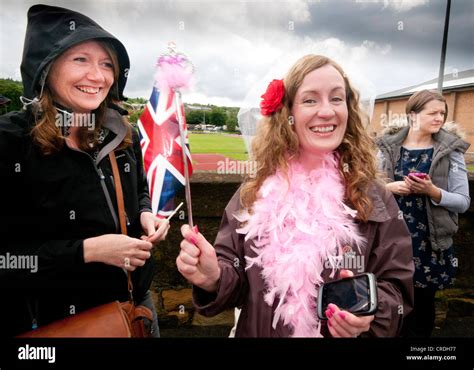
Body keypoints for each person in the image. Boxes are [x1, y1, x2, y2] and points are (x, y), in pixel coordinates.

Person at [176, 54, 414, 337]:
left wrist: (370, 315)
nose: (326, 111)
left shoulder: (373, 196)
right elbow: (238, 283)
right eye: (310, 100)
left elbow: (398, 287)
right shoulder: (254, 192)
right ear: (287, 113)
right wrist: (214, 277)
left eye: (337, 99)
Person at [0, 4, 169, 337]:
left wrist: (146, 213)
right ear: (46, 67)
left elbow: (139, 189)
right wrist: (88, 251)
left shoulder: (121, 132)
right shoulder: (9, 141)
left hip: (136, 306)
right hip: (56, 324)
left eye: (107, 64)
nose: (98, 76)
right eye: (81, 60)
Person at [376, 90, 471, 337]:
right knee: (388, 302)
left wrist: (432, 191)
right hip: (390, 240)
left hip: (431, 243)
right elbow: (368, 191)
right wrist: (389, 187)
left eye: (443, 113)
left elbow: (463, 203)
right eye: (433, 113)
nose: (439, 117)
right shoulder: (388, 147)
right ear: (413, 115)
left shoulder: (452, 151)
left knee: (422, 309)